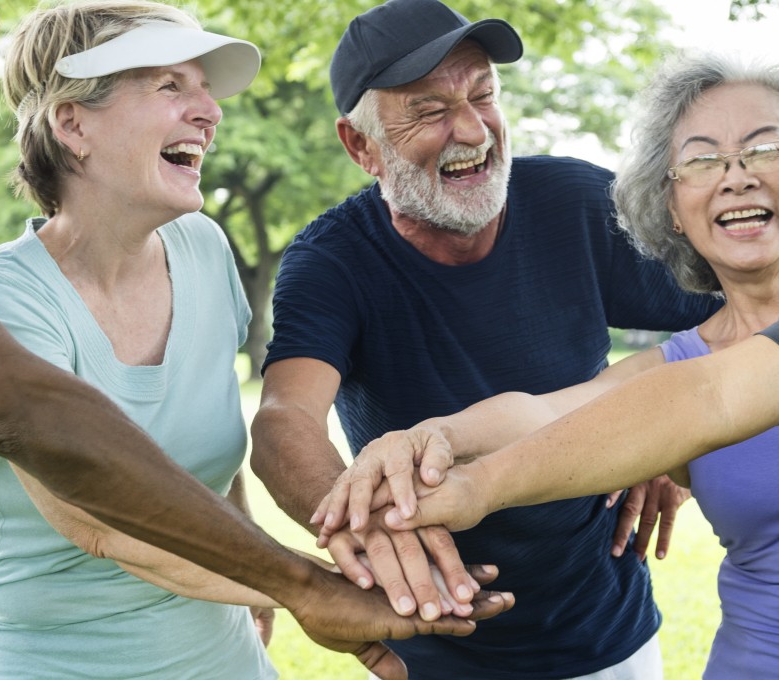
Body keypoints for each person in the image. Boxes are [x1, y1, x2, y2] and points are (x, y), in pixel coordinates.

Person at [0, 3, 512, 672]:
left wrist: (256, 587)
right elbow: (97, 524)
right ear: (72, 124)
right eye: (169, 86)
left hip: (223, 654)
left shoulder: (202, 248)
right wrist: (314, 588)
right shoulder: (6, 300)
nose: (209, 112)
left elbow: (212, 468)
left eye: (204, 89)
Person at [319, 52, 779, 677]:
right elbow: (545, 412)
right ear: (675, 213)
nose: (736, 177)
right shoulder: (679, 369)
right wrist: (428, 439)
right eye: (703, 161)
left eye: (765, 150)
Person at [250, 1, 720, 677]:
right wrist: (370, 526)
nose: (471, 129)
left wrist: (672, 434)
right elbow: (284, 416)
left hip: (609, 631)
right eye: (429, 110)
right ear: (361, 148)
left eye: (483, 96)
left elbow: (750, 311)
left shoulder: (579, 203)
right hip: (434, 639)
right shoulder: (330, 262)